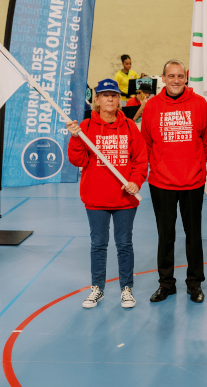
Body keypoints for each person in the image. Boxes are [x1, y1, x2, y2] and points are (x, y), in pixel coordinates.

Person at [66, 78, 148, 310]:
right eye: (104, 95)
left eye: (113, 94)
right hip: (96, 198)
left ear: (118, 100)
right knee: (98, 244)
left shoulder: (131, 127)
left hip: (125, 199)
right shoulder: (86, 127)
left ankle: (126, 288)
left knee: (124, 243)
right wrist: (74, 138)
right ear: (97, 100)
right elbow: (78, 160)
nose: (109, 98)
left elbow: (140, 160)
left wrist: (135, 181)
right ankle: (97, 288)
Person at [141, 59, 207, 303]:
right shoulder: (151, 106)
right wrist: (160, 166)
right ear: (163, 78)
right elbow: (147, 143)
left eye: (180, 76)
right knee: (165, 235)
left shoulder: (200, 104)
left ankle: (194, 284)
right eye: (171, 76)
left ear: (185, 78)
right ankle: (166, 284)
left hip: (192, 182)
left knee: (194, 236)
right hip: (161, 183)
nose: (175, 80)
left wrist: (194, 165)